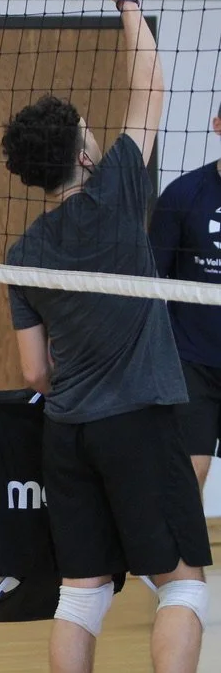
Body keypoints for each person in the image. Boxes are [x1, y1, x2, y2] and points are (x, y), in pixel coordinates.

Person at [0, 0, 211, 672]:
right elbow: (150, 85)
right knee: (183, 583)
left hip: (67, 438)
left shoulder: (20, 252)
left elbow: (35, 369)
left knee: (83, 592)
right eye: (88, 129)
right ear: (84, 155)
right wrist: (125, 1)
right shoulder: (120, 190)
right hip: (141, 423)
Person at [148, 103, 221, 495]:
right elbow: (147, 283)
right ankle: (181, 559)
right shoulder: (182, 195)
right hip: (193, 365)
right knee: (189, 477)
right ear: (217, 125)